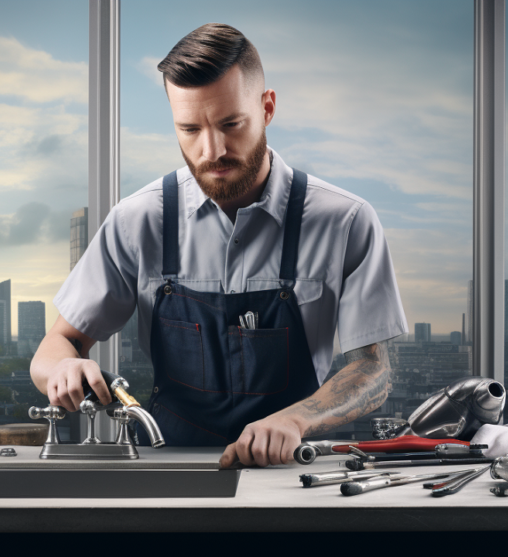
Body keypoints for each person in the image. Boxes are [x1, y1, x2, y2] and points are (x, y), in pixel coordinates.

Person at [30, 23, 407, 468]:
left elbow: (374, 371)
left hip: (291, 470)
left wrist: (295, 420)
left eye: (231, 124)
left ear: (267, 108)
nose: (212, 151)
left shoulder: (344, 220)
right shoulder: (138, 221)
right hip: (171, 470)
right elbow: (59, 342)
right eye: (190, 129)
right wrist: (63, 369)